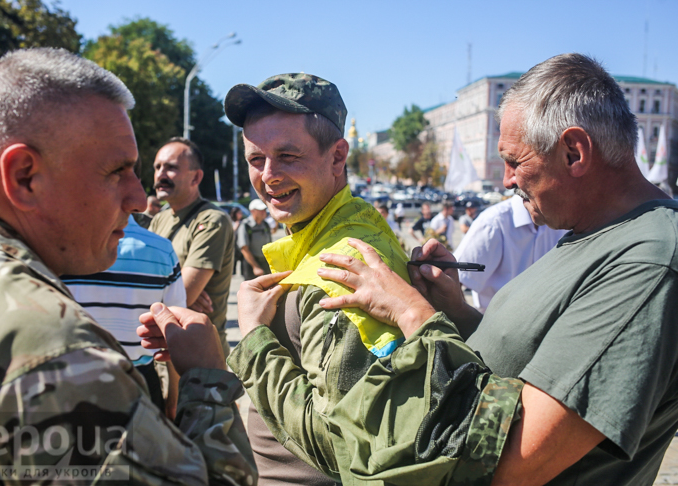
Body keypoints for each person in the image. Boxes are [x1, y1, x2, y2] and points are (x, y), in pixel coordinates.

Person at [313, 53, 678, 486]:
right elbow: (528, 362)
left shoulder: (646, 261)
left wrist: (413, 314)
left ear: (574, 152)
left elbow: (516, 458)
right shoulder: (595, 232)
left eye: (514, 160)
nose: (505, 180)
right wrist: (455, 313)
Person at [0, 48, 255, 485]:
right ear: (24, 177)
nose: (137, 197)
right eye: (116, 171)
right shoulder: (58, 354)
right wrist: (208, 380)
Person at [212, 73, 520, 485]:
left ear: (338, 156)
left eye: (288, 156)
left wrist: (252, 344)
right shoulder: (327, 235)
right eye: (256, 159)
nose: (268, 175)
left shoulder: (345, 268)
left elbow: (344, 443)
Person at [62, 214, 187, 418]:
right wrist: (174, 399)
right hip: (140, 381)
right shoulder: (162, 250)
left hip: (74, 381)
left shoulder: (60, 247)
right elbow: (176, 334)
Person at [149, 137, 235, 356]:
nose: (161, 174)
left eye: (171, 168)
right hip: (161, 349)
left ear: (196, 177)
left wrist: (177, 297)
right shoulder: (160, 219)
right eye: (157, 167)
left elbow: (181, 297)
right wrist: (173, 296)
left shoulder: (211, 220)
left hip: (199, 354)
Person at [454, 195, 565, 312]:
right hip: (494, 325)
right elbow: (454, 280)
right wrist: (470, 324)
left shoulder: (563, 222)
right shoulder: (493, 222)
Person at [238, 199, 272, 280]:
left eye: (264, 210)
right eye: (261, 210)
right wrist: (255, 266)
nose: (264, 212)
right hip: (251, 263)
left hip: (265, 262)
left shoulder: (265, 225)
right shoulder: (246, 225)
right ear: (252, 211)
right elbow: (244, 249)